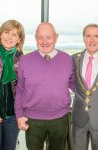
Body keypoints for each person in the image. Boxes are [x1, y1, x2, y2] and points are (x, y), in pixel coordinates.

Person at [15, 22, 75, 150]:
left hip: (60, 118)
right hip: (33, 120)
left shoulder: (67, 59)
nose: (44, 41)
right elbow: (20, 90)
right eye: (40, 37)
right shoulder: (25, 61)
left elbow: (74, 84)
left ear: (56, 37)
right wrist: (19, 116)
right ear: (36, 38)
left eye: (48, 37)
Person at [0, 20, 25, 150]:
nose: (9, 37)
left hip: (13, 116)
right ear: (0, 34)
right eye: (6, 32)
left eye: (14, 34)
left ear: (19, 39)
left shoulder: (22, 59)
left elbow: (25, 88)